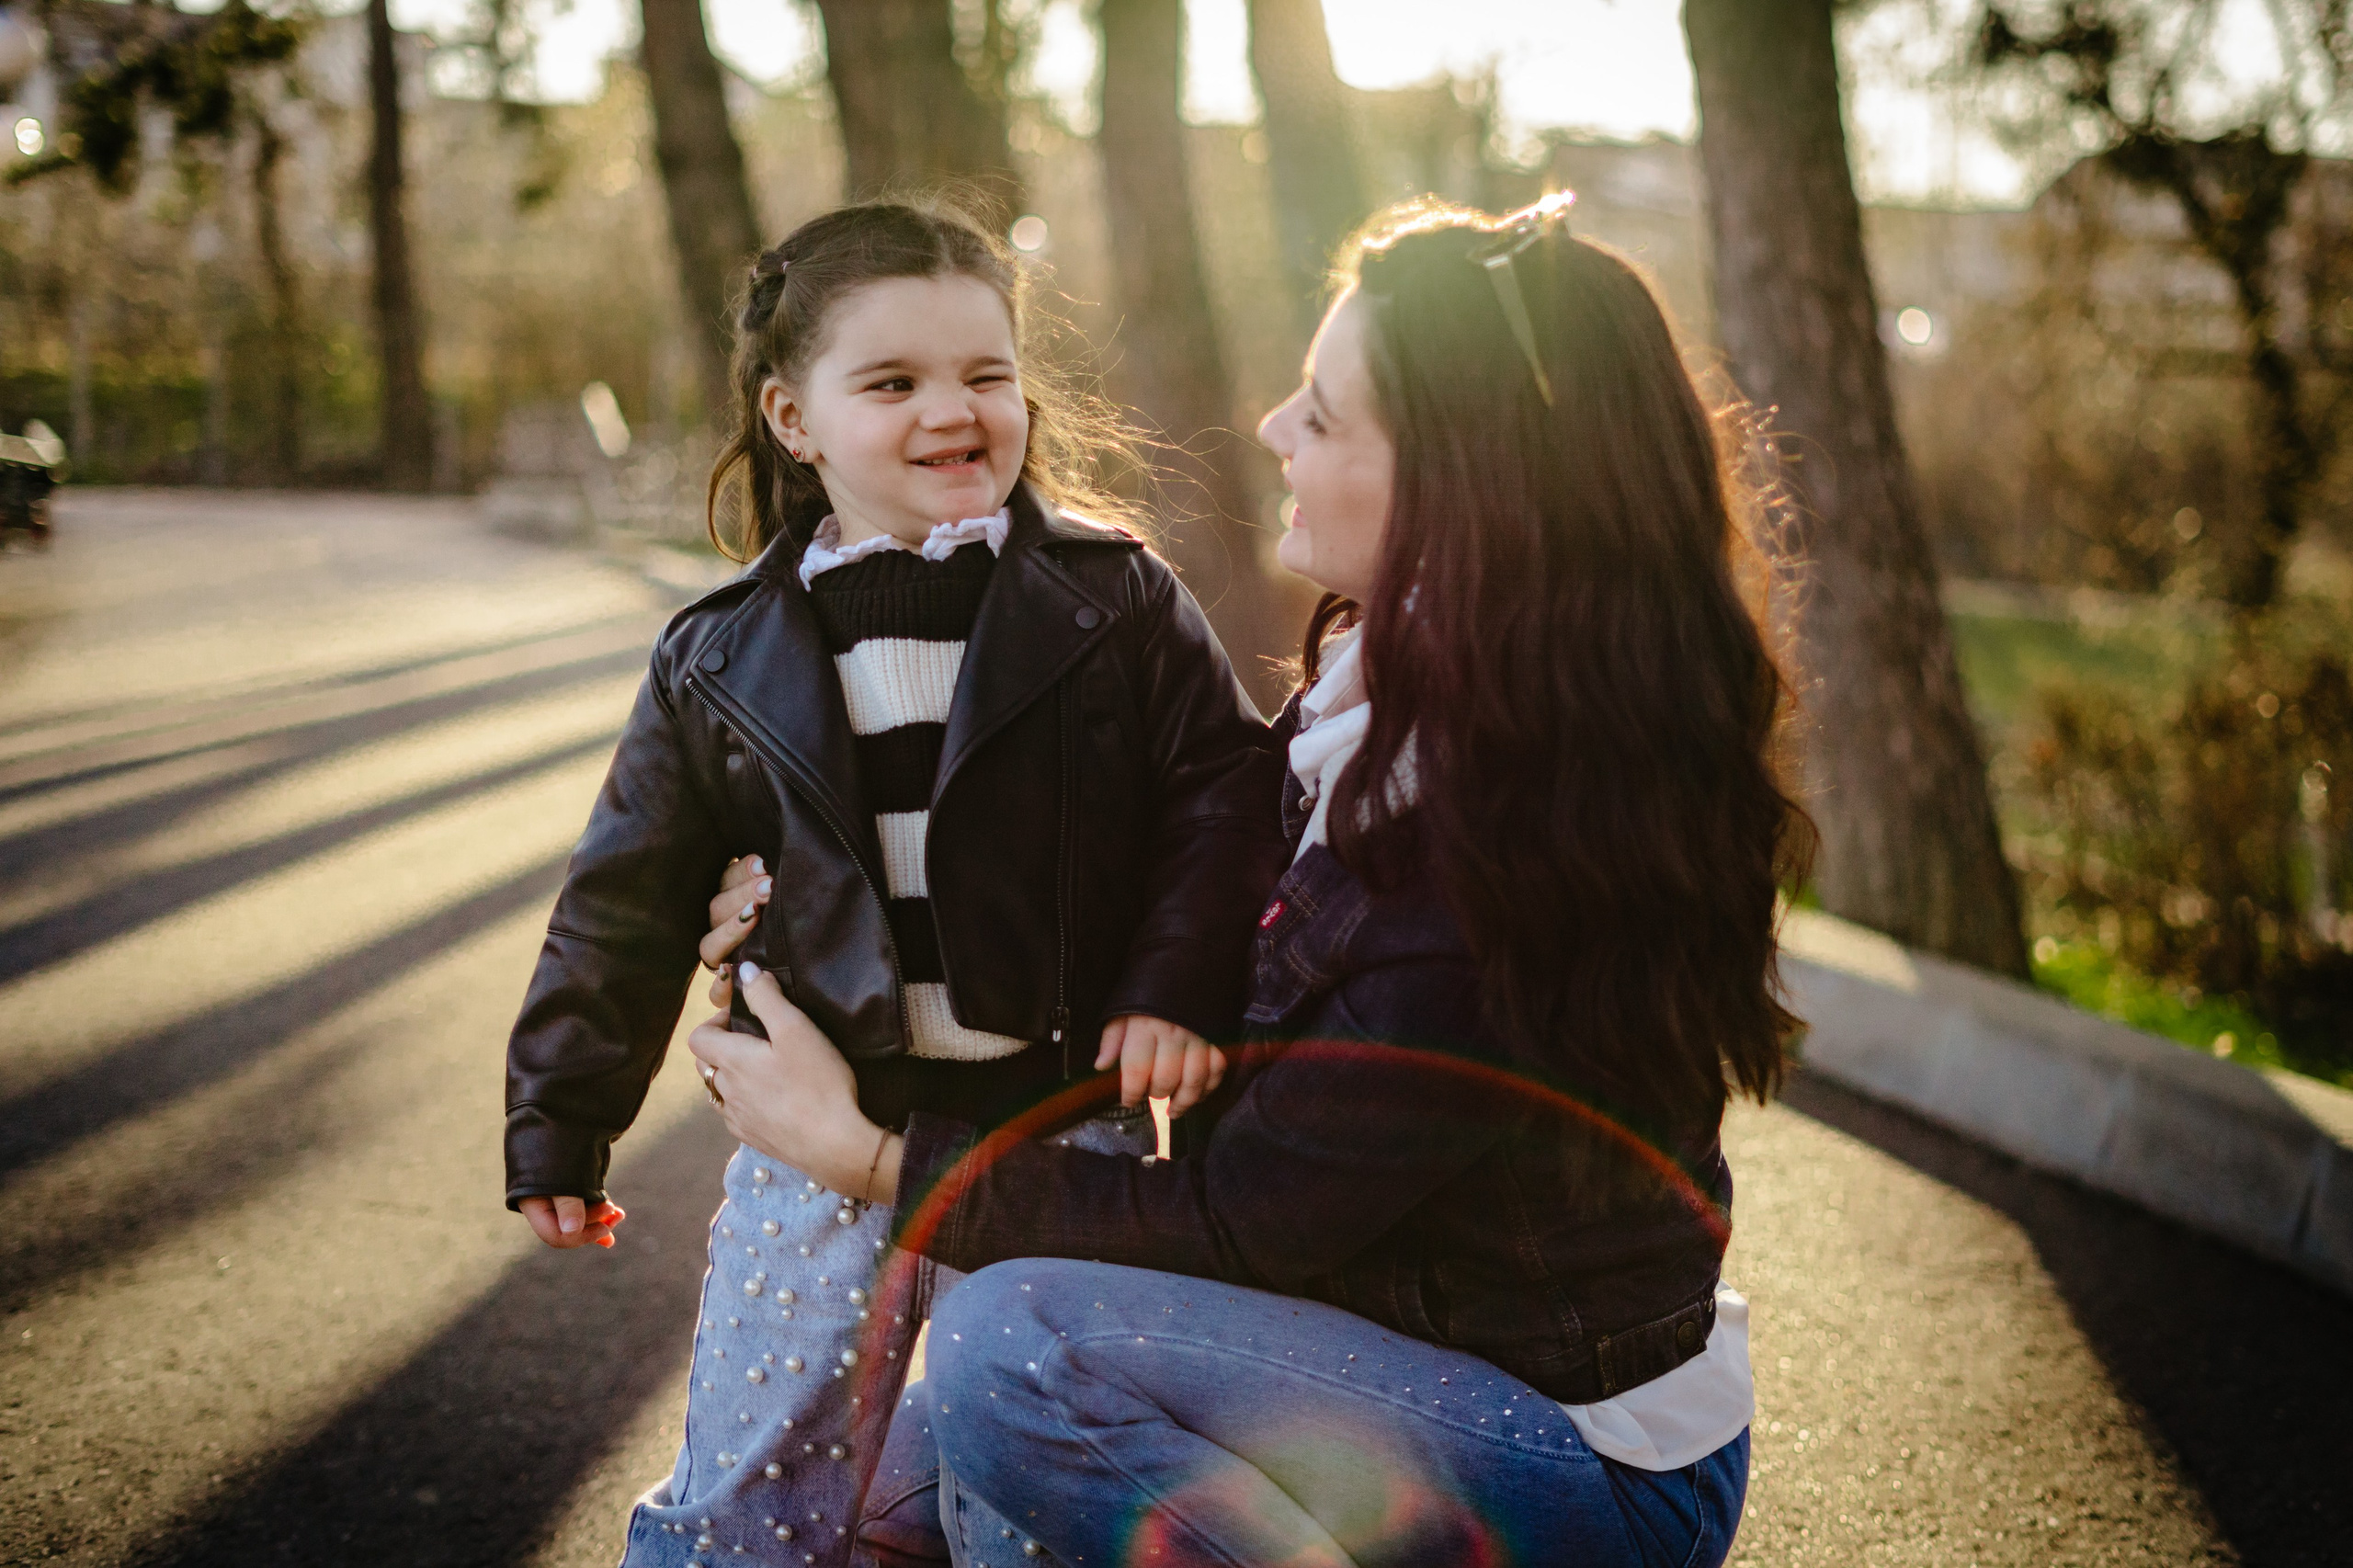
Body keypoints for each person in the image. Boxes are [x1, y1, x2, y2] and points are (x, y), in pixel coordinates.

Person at [688, 193, 1812, 1568]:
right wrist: (828, 893)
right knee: (865, 1493)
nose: (1276, 427)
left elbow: (1237, 1226)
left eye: (1324, 417)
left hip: (1568, 1455)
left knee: (1015, 1357)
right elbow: (1167, 877)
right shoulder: (1384, 697)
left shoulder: (1499, 842)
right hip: (1360, 1347)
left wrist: (868, 1157)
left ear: (1463, 486)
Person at [501, 199, 1290, 1566]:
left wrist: (1173, 985)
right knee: (754, 1488)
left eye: (987, 374)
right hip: (821, 1136)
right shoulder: (721, 653)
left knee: (1025, 1502)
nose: (953, 410)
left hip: (1060, 1138)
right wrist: (559, 1118)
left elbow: (1223, 798)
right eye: (893, 383)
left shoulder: (1114, 598)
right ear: (793, 418)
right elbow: (623, 898)